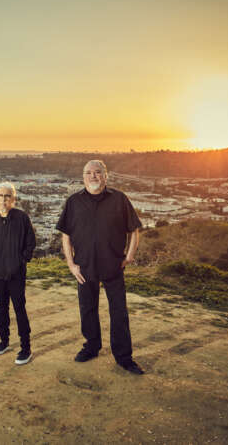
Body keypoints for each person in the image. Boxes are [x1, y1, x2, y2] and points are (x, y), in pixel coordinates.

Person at [56, 160, 144, 374]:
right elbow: (65, 235)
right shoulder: (73, 202)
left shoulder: (119, 199)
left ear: (106, 176)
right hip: (84, 268)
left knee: (119, 313)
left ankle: (124, 357)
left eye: (97, 172)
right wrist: (71, 264)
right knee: (87, 310)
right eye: (88, 173)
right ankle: (91, 347)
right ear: (83, 176)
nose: (93, 176)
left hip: (113, 266)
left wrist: (130, 256)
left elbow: (134, 229)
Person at [0, 182, 35, 365]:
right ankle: (4, 341)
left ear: (13, 199)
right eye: (0, 196)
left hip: (16, 273)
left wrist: (22, 260)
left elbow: (30, 242)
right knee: (2, 307)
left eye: (7, 196)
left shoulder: (22, 218)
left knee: (19, 309)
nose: (3, 199)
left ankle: (26, 348)